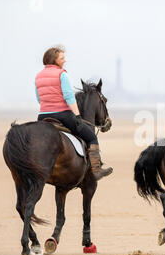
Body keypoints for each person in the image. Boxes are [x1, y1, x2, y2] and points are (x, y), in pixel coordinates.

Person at [34, 46, 112, 181]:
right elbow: (69, 97)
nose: (64, 60)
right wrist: (77, 116)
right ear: (54, 60)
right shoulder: (61, 74)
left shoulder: (38, 76)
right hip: (62, 114)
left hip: (43, 116)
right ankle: (96, 170)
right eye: (62, 58)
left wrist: (48, 106)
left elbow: (38, 98)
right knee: (92, 136)